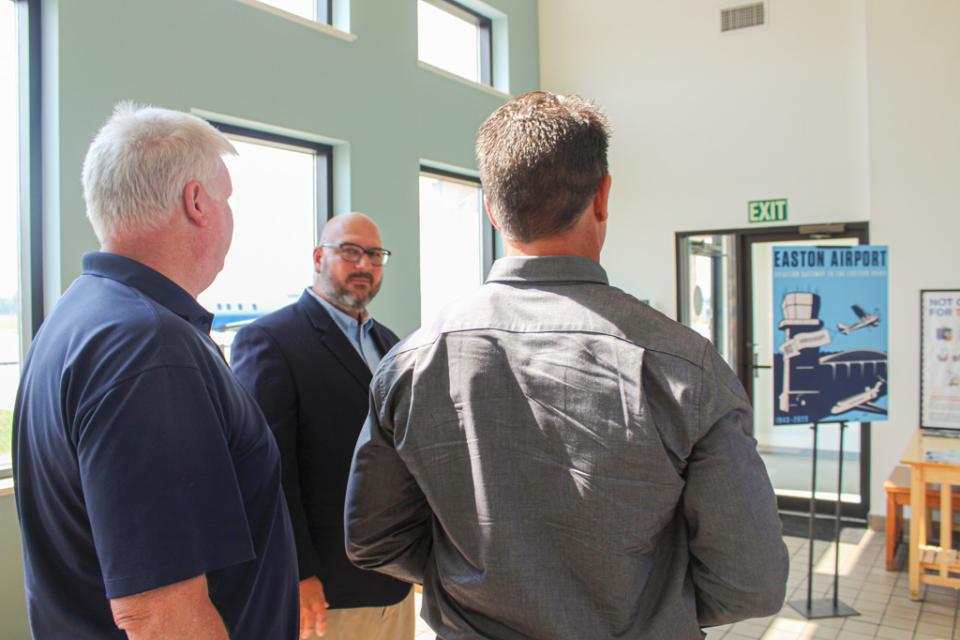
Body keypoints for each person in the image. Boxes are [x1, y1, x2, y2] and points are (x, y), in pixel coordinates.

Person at [344, 91, 789, 639]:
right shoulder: (684, 370)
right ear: (602, 197)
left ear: (492, 206)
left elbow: (373, 538)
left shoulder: (410, 364)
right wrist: (654, 611)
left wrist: (474, 585)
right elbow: (752, 583)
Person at [12, 103, 298, 639]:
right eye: (226, 198)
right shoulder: (145, 345)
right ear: (196, 202)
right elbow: (158, 616)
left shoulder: (82, 316)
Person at [232, 212, 414, 640]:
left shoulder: (392, 344)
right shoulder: (270, 341)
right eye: (350, 251)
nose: (365, 265)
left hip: (394, 583)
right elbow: (267, 473)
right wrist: (296, 573)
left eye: (375, 255)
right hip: (325, 594)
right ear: (318, 257)